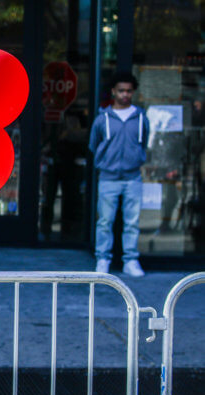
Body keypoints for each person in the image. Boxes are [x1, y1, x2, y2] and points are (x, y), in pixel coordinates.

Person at [89, 72, 150, 277]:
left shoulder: (140, 117)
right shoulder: (102, 119)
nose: (125, 94)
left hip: (133, 177)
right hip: (108, 177)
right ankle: (103, 259)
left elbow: (143, 143)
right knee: (105, 221)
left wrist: (136, 159)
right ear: (113, 91)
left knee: (132, 221)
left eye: (129, 91)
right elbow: (94, 145)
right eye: (121, 90)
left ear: (133, 92)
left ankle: (130, 261)